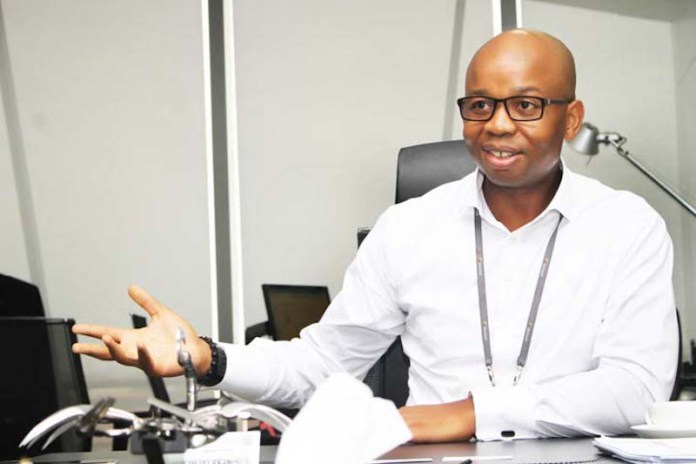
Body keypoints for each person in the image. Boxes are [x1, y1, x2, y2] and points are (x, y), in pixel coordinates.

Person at [72, 29, 678, 443]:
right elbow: (322, 365)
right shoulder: (408, 228)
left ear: (571, 119)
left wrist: (467, 414)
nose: (496, 125)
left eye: (525, 105)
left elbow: (635, 390)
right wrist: (207, 357)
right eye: (479, 105)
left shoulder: (628, 227)